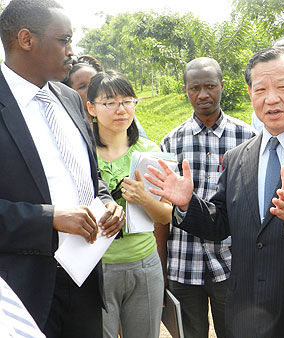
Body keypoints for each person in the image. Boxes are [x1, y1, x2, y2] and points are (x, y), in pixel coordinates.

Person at [146, 47, 284, 338]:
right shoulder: (239, 157)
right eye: (260, 89)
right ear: (251, 95)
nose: (271, 98)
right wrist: (187, 204)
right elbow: (220, 222)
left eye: (282, 86)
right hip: (248, 312)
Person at [0, 1, 124, 337]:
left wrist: (106, 202)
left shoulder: (69, 99)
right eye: (64, 40)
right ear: (26, 40)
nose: (72, 51)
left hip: (84, 280)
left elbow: (90, 176)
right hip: (21, 292)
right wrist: (49, 217)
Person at [159, 57, 255, 338]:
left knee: (235, 331)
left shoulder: (247, 137)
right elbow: (161, 211)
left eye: (210, 86)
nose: (203, 95)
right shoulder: (171, 142)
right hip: (183, 262)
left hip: (232, 262)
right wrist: (162, 265)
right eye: (195, 88)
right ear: (186, 91)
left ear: (222, 86)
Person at [86, 70, 172, 338]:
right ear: (91, 108)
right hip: (96, 267)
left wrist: (144, 198)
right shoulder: (81, 152)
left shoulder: (151, 152)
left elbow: (166, 216)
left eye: (128, 101)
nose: (120, 109)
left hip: (144, 265)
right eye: (109, 102)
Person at [63, 55, 148, 138]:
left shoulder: (121, 115)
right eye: (82, 87)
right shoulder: (67, 125)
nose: (90, 89)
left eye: (94, 84)